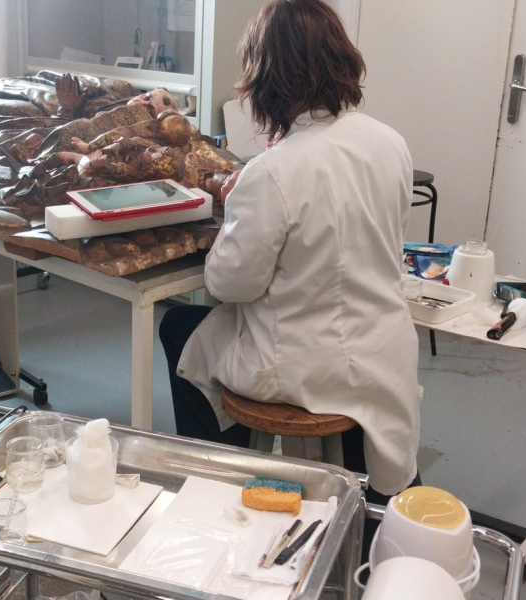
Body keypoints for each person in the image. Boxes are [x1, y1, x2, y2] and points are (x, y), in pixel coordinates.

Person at [160, 0, 421, 506]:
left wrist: (237, 208)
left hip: (309, 367)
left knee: (178, 329)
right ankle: (361, 484)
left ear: (267, 78)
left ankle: (224, 483)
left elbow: (231, 285)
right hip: (384, 353)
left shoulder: (273, 171)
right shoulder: (389, 142)